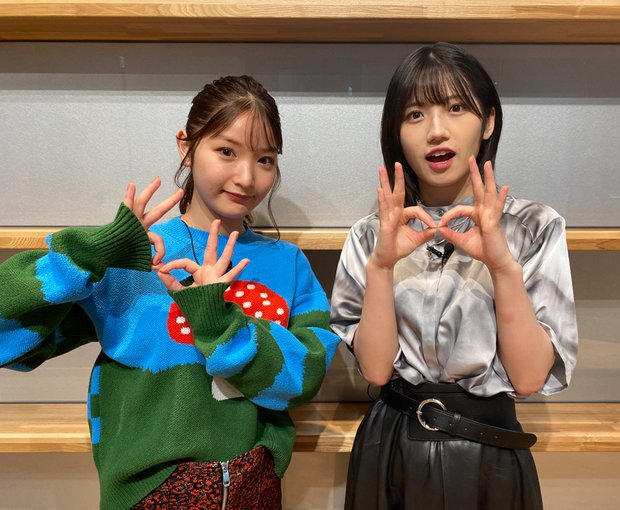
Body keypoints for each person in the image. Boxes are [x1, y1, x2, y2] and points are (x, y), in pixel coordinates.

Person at [0, 75, 339, 510]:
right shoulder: (132, 256)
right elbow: (8, 339)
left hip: (254, 488)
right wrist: (91, 254)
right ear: (187, 146)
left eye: (265, 159)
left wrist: (220, 322)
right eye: (227, 151)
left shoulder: (286, 264)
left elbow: (304, 379)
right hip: (149, 492)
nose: (247, 177)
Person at [330, 43, 578, 509]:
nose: (436, 130)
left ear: (488, 121)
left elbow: (528, 378)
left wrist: (502, 267)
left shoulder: (534, 227)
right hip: (390, 445)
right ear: (396, 132)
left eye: (456, 107)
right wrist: (381, 267)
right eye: (415, 114)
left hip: (490, 445)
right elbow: (376, 370)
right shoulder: (370, 235)